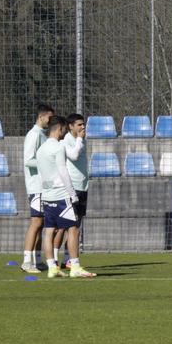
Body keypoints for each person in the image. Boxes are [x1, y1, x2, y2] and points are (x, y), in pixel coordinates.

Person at [32, 115, 85, 280]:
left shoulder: (41, 150)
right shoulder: (58, 148)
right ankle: (75, 266)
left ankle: (52, 268)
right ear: (60, 128)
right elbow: (63, 171)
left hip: (47, 195)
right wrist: (72, 194)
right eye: (63, 129)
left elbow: (41, 175)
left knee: (49, 231)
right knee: (73, 228)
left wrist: (43, 192)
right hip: (62, 195)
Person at [18, 102, 55, 272]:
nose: (51, 120)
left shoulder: (43, 135)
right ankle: (26, 261)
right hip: (35, 187)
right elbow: (28, 161)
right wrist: (45, 162)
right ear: (41, 117)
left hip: (44, 187)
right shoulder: (33, 135)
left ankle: (38, 260)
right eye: (49, 117)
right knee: (36, 222)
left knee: (43, 223)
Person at [59, 112, 95, 278]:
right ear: (70, 126)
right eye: (79, 125)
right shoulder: (66, 141)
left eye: (83, 124)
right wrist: (80, 139)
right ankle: (53, 261)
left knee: (76, 225)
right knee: (64, 227)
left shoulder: (82, 140)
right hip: (71, 187)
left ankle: (68, 260)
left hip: (82, 186)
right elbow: (73, 156)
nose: (83, 127)